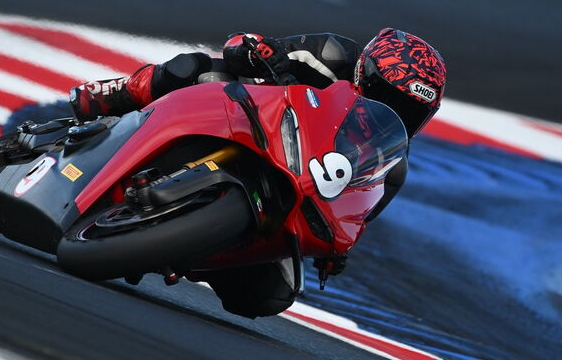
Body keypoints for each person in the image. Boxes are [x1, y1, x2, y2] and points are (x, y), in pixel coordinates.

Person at [69, 28, 447, 318]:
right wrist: (258, 51)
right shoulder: (329, 55)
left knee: (269, 296)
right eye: (386, 95)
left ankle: (190, 245)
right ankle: (120, 93)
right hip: (249, 120)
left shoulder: (391, 164)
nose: (394, 111)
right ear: (365, 72)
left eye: (410, 110)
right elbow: (241, 47)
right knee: (197, 69)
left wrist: (335, 252)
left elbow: (357, 212)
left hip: (291, 192)